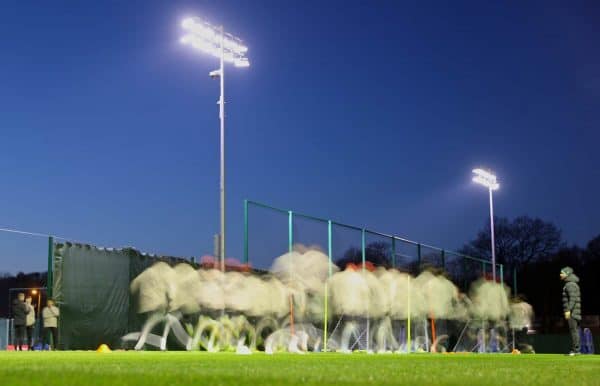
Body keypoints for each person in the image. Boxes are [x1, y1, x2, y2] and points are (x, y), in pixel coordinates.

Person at [560, 266, 582, 356]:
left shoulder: (570, 285)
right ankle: (576, 350)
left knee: (574, 330)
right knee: (574, 330)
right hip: (574, 312)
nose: (560, 274)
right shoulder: (570, 284)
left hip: (573, 312)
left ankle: (576, 350)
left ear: (567, 274)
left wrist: (568, 310)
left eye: (562, 273)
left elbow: (572, 299)